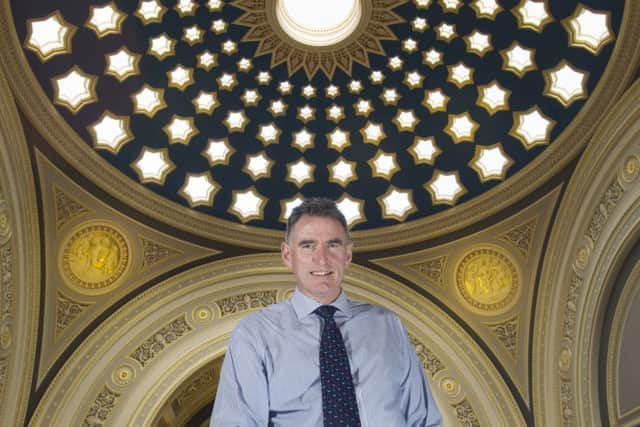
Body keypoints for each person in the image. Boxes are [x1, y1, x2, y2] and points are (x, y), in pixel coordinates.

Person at [210, 197, 442, 426]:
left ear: (347, 254)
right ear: (287, 255)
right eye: (307, 245)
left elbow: (424, 420)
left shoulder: (388, 325)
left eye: (333, 245)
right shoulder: (255, 334)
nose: (322, 260)